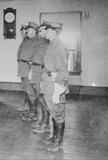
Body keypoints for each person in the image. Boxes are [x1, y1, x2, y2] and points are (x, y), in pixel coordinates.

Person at [40, 21, 69, 152]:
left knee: (58, 113)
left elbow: (62, 70)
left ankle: (58, 142)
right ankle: (54, 137)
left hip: (55, 85)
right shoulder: (52, 44)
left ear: (53, 31)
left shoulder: (59, 46)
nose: (44, 32)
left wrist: (58, 89)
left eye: (46, 29)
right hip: (48, 84)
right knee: (53, 112)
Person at [30, 22, 50, 133]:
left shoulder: (48, 44)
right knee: (39, 97)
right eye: (39, 31)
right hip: (35, 71)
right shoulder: (39, 43)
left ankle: (46, 124)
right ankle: (43, 121)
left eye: (41, 30)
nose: (39, 32)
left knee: (43, 99)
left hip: (41, 72)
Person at [17, 22, 39, 122]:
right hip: (24, 68)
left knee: (31, 93)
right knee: (28, 90)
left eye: (29, 30)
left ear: (35, 31)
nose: (26, 31)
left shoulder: (37, 41)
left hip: (28, 69)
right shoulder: (30, 40)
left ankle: (33, 115)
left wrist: (31, 68)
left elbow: (37, 57)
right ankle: (31, 112)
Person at [16, 24, 30, 112]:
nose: (22, 32)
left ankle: (28, 105)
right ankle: (26, 103)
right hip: (22, 66)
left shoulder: (29, 41)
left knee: (28, 87)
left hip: (26, 67)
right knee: (25, 86)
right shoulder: (24, 40)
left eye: (24, 31)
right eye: (21, 31)